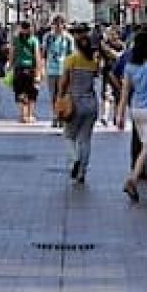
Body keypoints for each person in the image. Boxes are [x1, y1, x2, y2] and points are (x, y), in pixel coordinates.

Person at [117, 28, 147, 202]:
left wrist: (120, 114)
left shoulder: (130, 66)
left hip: (135, 109)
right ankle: (133, 180)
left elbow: (124, 92)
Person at [59, 23, 99, 184]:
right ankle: (82, 172)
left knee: (69, 135)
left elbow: (64, 81)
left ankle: (74, 159)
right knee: (85, 139)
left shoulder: (71, 59)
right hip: (91, 102)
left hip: (74, 102)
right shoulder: (93, 62)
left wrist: (59, 96)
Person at [42, 16, 74, 127]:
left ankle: (62, 116)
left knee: (63, 94)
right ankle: (55, 116)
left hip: (64, 70)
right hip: (51, 70)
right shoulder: (48, 37)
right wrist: (42, 69)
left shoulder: (68, 38)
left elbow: (71, 55)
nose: (58, 26)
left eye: (60, 24)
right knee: (53, 95)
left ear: (64, 25)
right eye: (55, 24)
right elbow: (43, 54)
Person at [9, 20, 42, 124]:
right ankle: (30, 115)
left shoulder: (16, 39)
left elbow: (12, 53)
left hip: (19, 68)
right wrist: (39, 71)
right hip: (31, 68)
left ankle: (23, 114)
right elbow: (37, 56)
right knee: (31, 92)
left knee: (20, 91)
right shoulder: (34, 40)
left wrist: (10, 66)